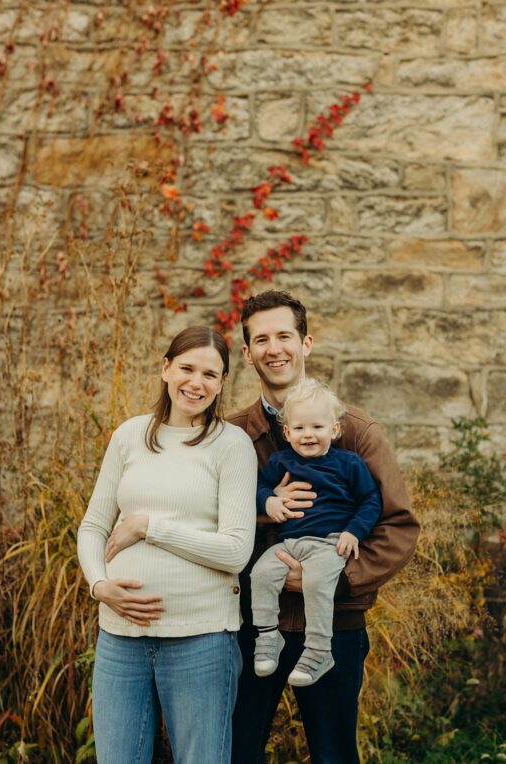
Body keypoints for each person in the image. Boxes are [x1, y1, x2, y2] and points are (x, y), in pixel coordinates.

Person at [229, 291, 420, 764]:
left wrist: (336, 576)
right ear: (248, 353)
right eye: (261, 339)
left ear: (306, 343)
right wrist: (263, 508)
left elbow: (397, 524)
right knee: (236, 752)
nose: (275, 348)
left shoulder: (355, 431)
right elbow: (211, 514)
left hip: (336, 624)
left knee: (334, 754)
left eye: (285, 336)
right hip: (252, 629)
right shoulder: (232, 435)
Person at [77, 326, 257, 764]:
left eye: (210, 375)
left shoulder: (231, 446)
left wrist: (148, 526)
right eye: (187, 369)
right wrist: (99, 585)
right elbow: (92, 526)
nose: (196, 383)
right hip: (121, 638)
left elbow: (235, 550)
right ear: (165, 369)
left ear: (221, 383)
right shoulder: (129, 436)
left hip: (201, 640)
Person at [250, 377, 381, 688]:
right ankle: (268, 637)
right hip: (289, 543)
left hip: (329, 544)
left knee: (318, 581)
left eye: (317, 427)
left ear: (334, 429)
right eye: (299, 428)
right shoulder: (281, 462)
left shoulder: (349, 464)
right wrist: (268, 500)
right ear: (287, 432)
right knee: (261, 574)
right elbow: (257, 487)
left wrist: (353, 532)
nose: (308, 435)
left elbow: (371, 500)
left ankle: (320, 650)